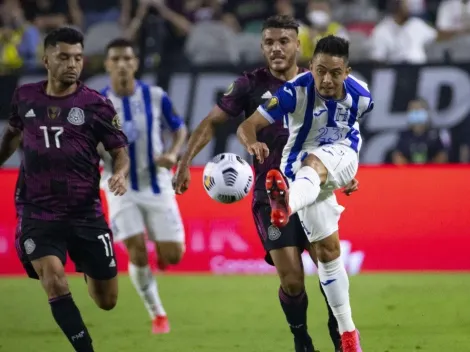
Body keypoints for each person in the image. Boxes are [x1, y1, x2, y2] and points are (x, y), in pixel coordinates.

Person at [174, 15, 359, 352]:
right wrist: (185, 162)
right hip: (269, 192)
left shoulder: (318, 80)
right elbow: (213, 122)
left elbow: (342, 131)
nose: (276, 48)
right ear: (262, 46)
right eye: (269, 42)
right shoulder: (249, 85)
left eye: (284, 41)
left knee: (327, 263)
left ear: (296, 44)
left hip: (314, 187)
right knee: (291, 280)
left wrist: (343, 171)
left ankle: (340, 335)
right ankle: (301, 338)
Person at [237, 35, 373, 352]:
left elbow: (351, 133)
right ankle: (349, 334)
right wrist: (252, 143)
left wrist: (347, 173)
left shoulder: (362, 96)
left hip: (337, 158)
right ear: (311, 67)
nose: (327, 79)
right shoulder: (292, 92)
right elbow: (248, 125)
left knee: (317, 161)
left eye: (335, 73)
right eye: (320, 70)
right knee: (327, 254)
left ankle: (286, 203)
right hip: (300, 175)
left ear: (347, 71)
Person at [0, 27, 129, 352]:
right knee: (54, 279)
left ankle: (87, 266)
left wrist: (121, 174)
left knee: (108, 301)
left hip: (86, 213)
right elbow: (12, 136)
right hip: (37, 211)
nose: (72, 64)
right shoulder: (25, 96)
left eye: (77, 58)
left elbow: (119, 151)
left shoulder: (97, 104)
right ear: (46, 60)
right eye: (63, 57)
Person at [100, 38, 187, 334]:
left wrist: (173, 154)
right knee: (136, 251)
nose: (122, 64)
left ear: (135, 63)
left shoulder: (155, 95)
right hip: (118, 185)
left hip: (156, 183)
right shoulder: (97, 102)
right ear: (107, 64)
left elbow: (179, 128)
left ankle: (161, 249)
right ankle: (157, 313)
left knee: (174, 255)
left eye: (127, 58)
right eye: (116, 59)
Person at [391, 97, 449, 165]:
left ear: (426, 112)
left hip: (432, 172)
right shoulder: (404, 135)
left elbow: (443, 156)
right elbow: (398, 157)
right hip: (409, 172)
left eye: (419, 110)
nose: (416, 113)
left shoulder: (436, 134)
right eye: (413, 110)